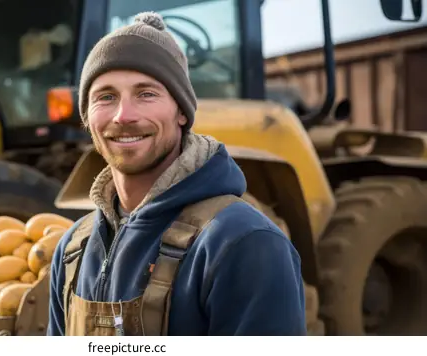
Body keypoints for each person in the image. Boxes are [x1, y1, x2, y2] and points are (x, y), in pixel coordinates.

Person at [47, 11, 307, 336]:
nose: (123, 115)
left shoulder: (244, 243)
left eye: (146, 94)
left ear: (182, 112)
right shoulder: (73, 249)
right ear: (88, 118)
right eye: (106, 97)